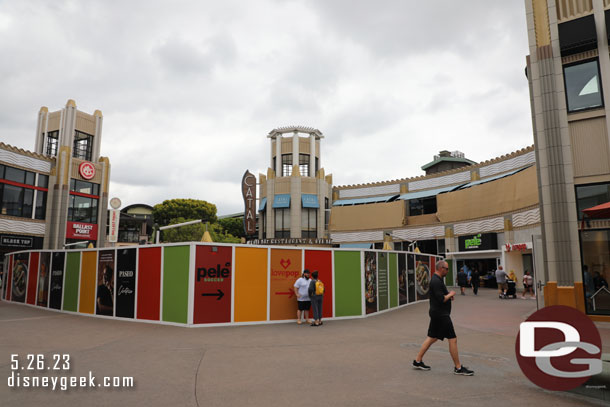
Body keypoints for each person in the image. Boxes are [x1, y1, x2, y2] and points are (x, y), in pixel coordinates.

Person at [412, 260, 474, 376]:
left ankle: (417, 361)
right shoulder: (436, 281)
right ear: (441, 269)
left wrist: (448, 296)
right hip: (441, 315)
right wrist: (450, 294)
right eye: (447, 269)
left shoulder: (437, 280)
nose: (448, 271)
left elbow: (440, 296)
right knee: (453, 339)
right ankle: (458, 367)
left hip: (437, 313)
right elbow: (441, 299)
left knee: (432, 338)